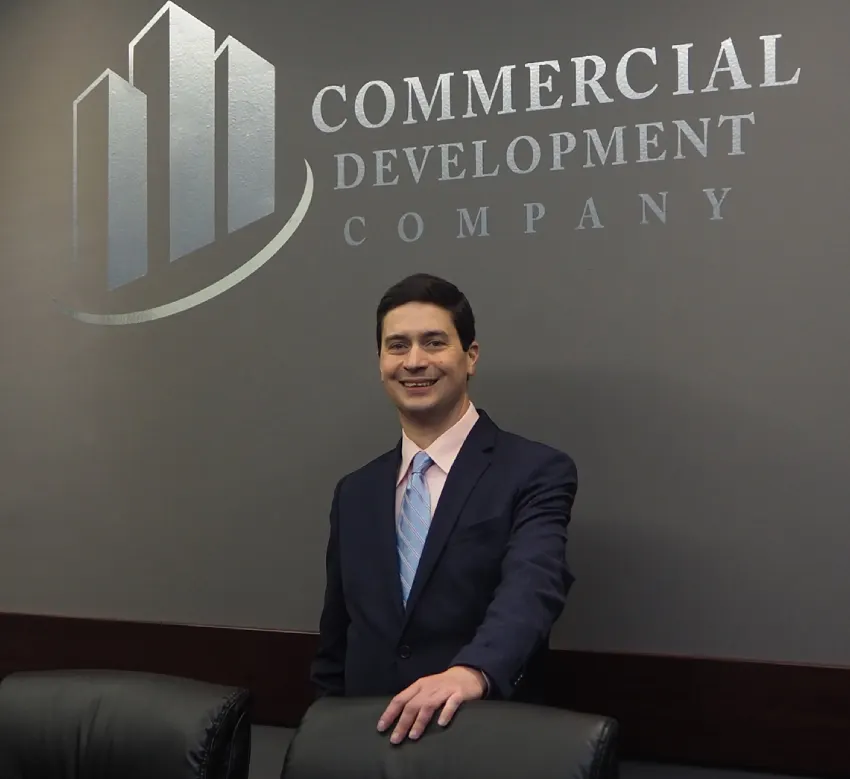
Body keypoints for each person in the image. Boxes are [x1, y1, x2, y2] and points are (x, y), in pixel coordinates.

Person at [310, 273, 578, 744]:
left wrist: (472, 672)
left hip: (480, 741)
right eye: (397, 346)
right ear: (380, 362)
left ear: (470, 357)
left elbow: (534, 587)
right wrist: (322, 736)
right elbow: (337, 639)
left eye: (434, 342)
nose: (415, 361)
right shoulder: (354, 492)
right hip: (364, 746)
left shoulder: (536, 471)